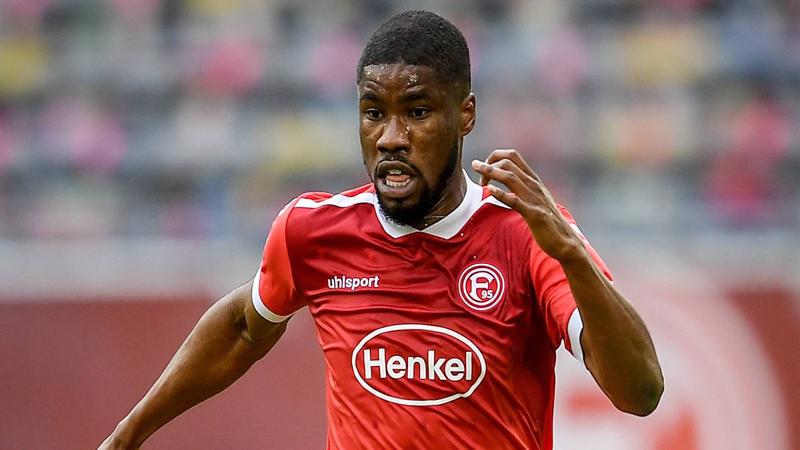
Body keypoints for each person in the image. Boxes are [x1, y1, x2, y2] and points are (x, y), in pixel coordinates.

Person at [99, 10, 663, 450]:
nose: (391, 137)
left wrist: (570, 252)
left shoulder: (528, 233)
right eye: (374, 113)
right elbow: (244, 327)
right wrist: (128, 434)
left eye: (416, 112)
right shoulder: (313, 232)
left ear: (465, 114)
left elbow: (640, 392)